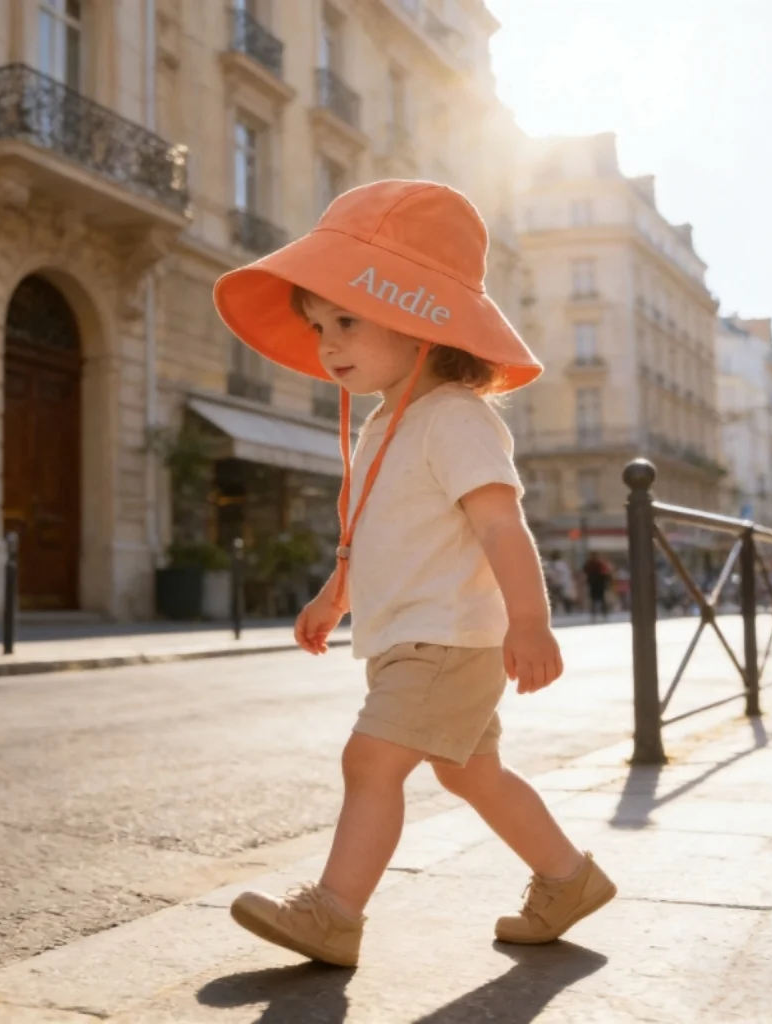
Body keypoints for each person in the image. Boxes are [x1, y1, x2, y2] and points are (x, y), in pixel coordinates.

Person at [213, 180, 616, 968]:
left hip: (446, 637)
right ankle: (568, 878)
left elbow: (503, 524)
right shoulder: (384, 422)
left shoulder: (457, 417)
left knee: (370, 761)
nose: (327, 342)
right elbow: (379, 533)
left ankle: (334, 913)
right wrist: (337, 593)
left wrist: (531, 622)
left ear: (420, 319)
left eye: (348, 320)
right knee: (473, 773)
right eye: (319, 323)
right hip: (413, 635)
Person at [583, 551, 612, 622]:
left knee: (595, 600)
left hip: (595, 584)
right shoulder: (599, 564)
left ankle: (597, 615)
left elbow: (585, 571)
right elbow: (606, 574)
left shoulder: (592, 564)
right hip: (599, 584)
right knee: (600, 600)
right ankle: (602, 614)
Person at [547, 550, 576, 614]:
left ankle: (565, 608)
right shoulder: (558, 564)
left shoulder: (558, 565)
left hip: (559, 583)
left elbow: (554, 574)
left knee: (561, 596)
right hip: (557, 583)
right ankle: (558, 608)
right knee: (558, 597)